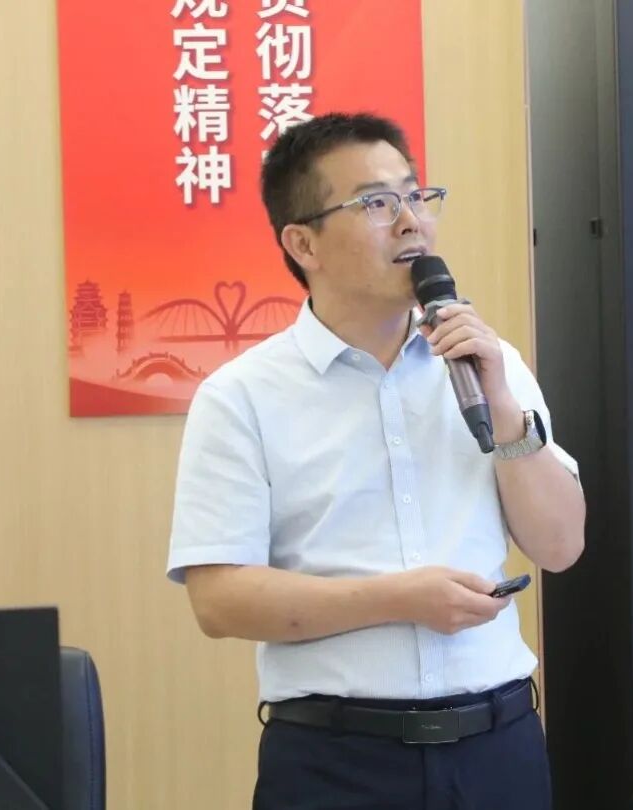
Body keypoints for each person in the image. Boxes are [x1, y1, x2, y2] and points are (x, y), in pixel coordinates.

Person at [166, 111, 585, 810]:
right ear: (303, 243)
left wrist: (504, 404)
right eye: (376, 204)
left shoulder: (491, 366)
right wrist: (399, 600)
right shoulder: (241, 396)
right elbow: (219, 599)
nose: (411, 222)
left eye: (417, 196)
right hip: (337, 763)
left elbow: (562, 545)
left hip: (499, 749)